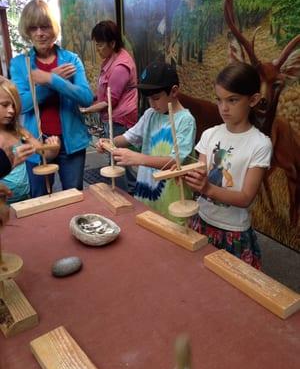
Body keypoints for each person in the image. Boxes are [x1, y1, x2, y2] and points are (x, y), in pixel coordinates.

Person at [183, 62, 272, 269]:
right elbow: (200, 175)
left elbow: (245, 198)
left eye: (232, 100)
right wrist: (187, 177)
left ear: (253, 100)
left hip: (233, 231)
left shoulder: (259, 144)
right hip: (201, 221)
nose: (223, 108)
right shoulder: (210, 134)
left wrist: (206, 187)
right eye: (219, 99)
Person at [10, 0, 93, 197]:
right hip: (37, 144)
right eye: (34, 27)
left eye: (45, 26)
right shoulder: (20, 64)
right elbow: (23, 105)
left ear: (53, 28)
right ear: (27, 31)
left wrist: (50, 79)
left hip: (71, 143)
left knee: (72, 197)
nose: (40, 33)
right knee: (40, 201)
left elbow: (86, 98)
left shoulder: (71, 59)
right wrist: (51, 83)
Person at [96, 61, 196, 222]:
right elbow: (129, 137)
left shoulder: (186, 121)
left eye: (156, 98)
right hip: (145, 194)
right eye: (148, 99)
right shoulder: (151, 114)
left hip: (173, 200)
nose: (152, 104)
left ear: (174, 91)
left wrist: (138, 159)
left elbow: (175, 161)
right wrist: (109, 142)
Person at [82, 20, 138, 193]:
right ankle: (129, 189)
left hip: (119, 120)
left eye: (100, 45)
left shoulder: (120, 65)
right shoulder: (111, 58)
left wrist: (86, 110)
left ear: (112, 43)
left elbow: (109, 101)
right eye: (96, 45)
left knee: (117, 160)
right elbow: (104, 93)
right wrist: (89, 99)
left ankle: (124, 195)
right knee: (118, 158)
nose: (97, 49)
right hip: (113, 118)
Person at [0, 76, 60, 203]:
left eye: (14, 106)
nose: (11, 110)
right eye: (5, 105)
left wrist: (52, 148)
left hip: (25, 199)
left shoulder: (19, 132)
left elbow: (43, 153)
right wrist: (10, 162)